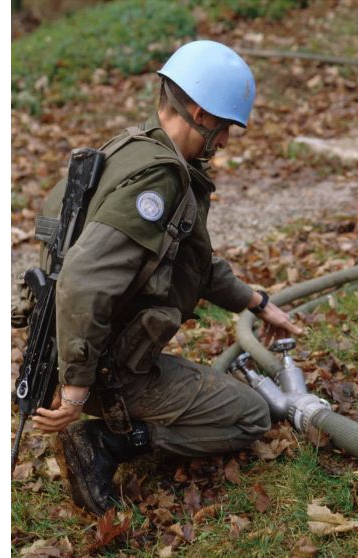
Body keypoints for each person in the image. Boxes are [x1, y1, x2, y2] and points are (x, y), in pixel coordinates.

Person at [28, 40, 302, 515]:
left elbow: (192, 259)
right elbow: (83, 280)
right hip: (98, 368)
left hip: (65, 349)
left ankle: (99, 413)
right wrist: (76, 389)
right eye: (226, 128)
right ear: (199, 112)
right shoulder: (160, 180)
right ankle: (104, 441)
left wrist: (255, 302)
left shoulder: (129, 151)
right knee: (250, 415)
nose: (226, 142)